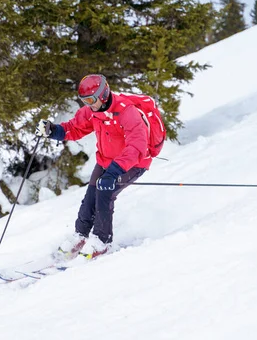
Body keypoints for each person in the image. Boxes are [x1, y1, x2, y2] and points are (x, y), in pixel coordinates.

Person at [36, 74, 164, 259]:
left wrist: (114, 173)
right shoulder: (92, 111)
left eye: (90, 99)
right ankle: (80, 236)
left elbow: (137, 145)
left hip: (134, 162)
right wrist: (54, 130)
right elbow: (76, 127)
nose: (88, 104)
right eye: (84, 101)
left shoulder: (126, 111)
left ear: (103, 94)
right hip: (106, 160)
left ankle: (101, 242)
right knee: (91, 195)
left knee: (105, 193)